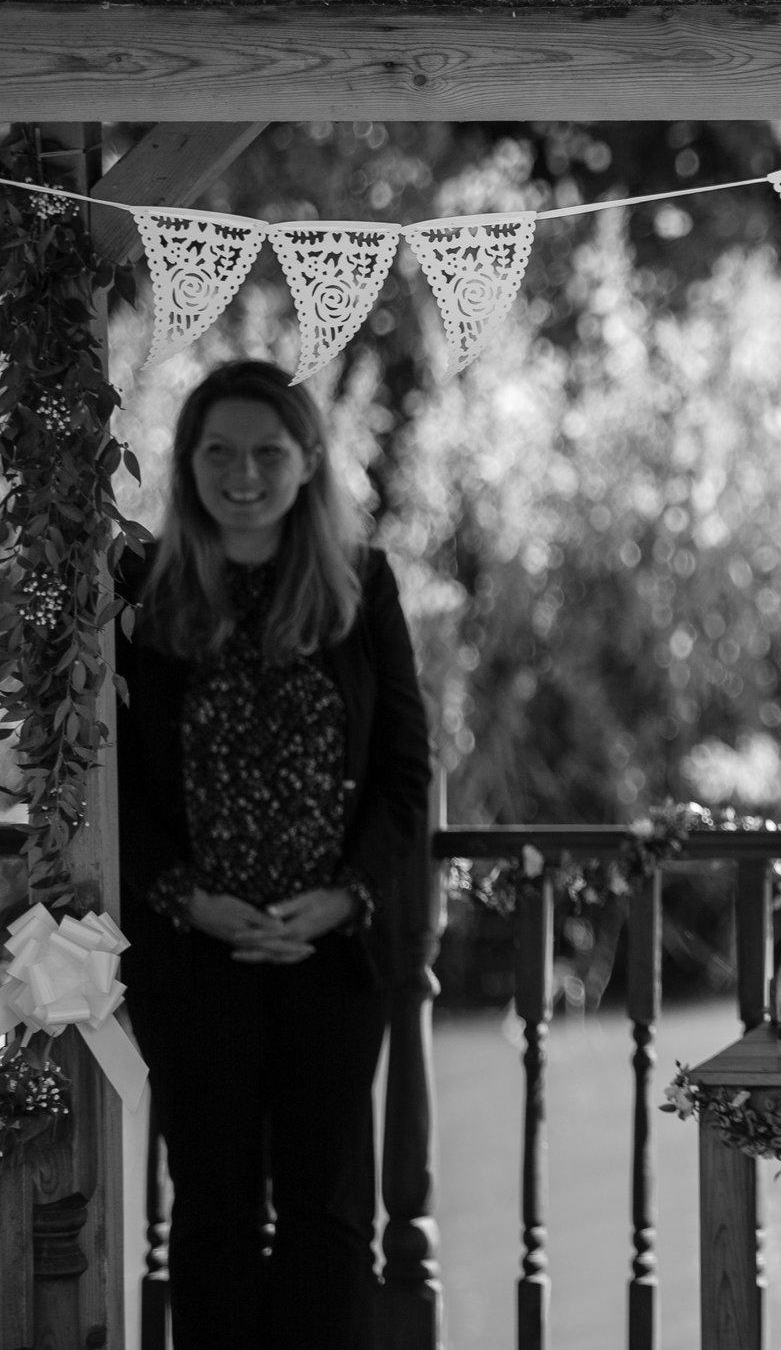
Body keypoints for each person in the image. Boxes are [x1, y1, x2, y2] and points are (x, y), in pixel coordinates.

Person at [115, 359, 433, 1350]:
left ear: (306, 461)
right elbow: (109, 777)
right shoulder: (137, 587)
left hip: (329, 955)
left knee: (329, 1217)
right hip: (193, 952)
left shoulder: (362, 582)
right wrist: (181, 894)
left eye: (266, 450)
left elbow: (405, 770)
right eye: (218, 450)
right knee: (209, 1216)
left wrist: (345, 896)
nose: (241, 472)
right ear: (188, 461)